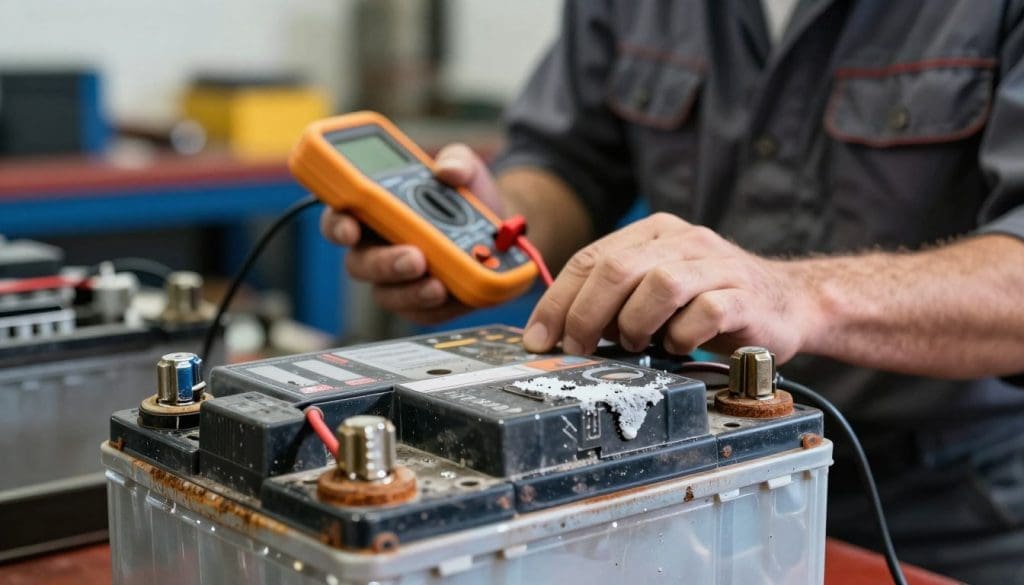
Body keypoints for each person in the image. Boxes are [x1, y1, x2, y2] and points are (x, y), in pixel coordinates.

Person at [322, 1, 1024, 582]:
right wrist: (495, 226)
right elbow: (569, 161)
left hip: (950, 514)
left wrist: (798, 295)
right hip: (681, 485)